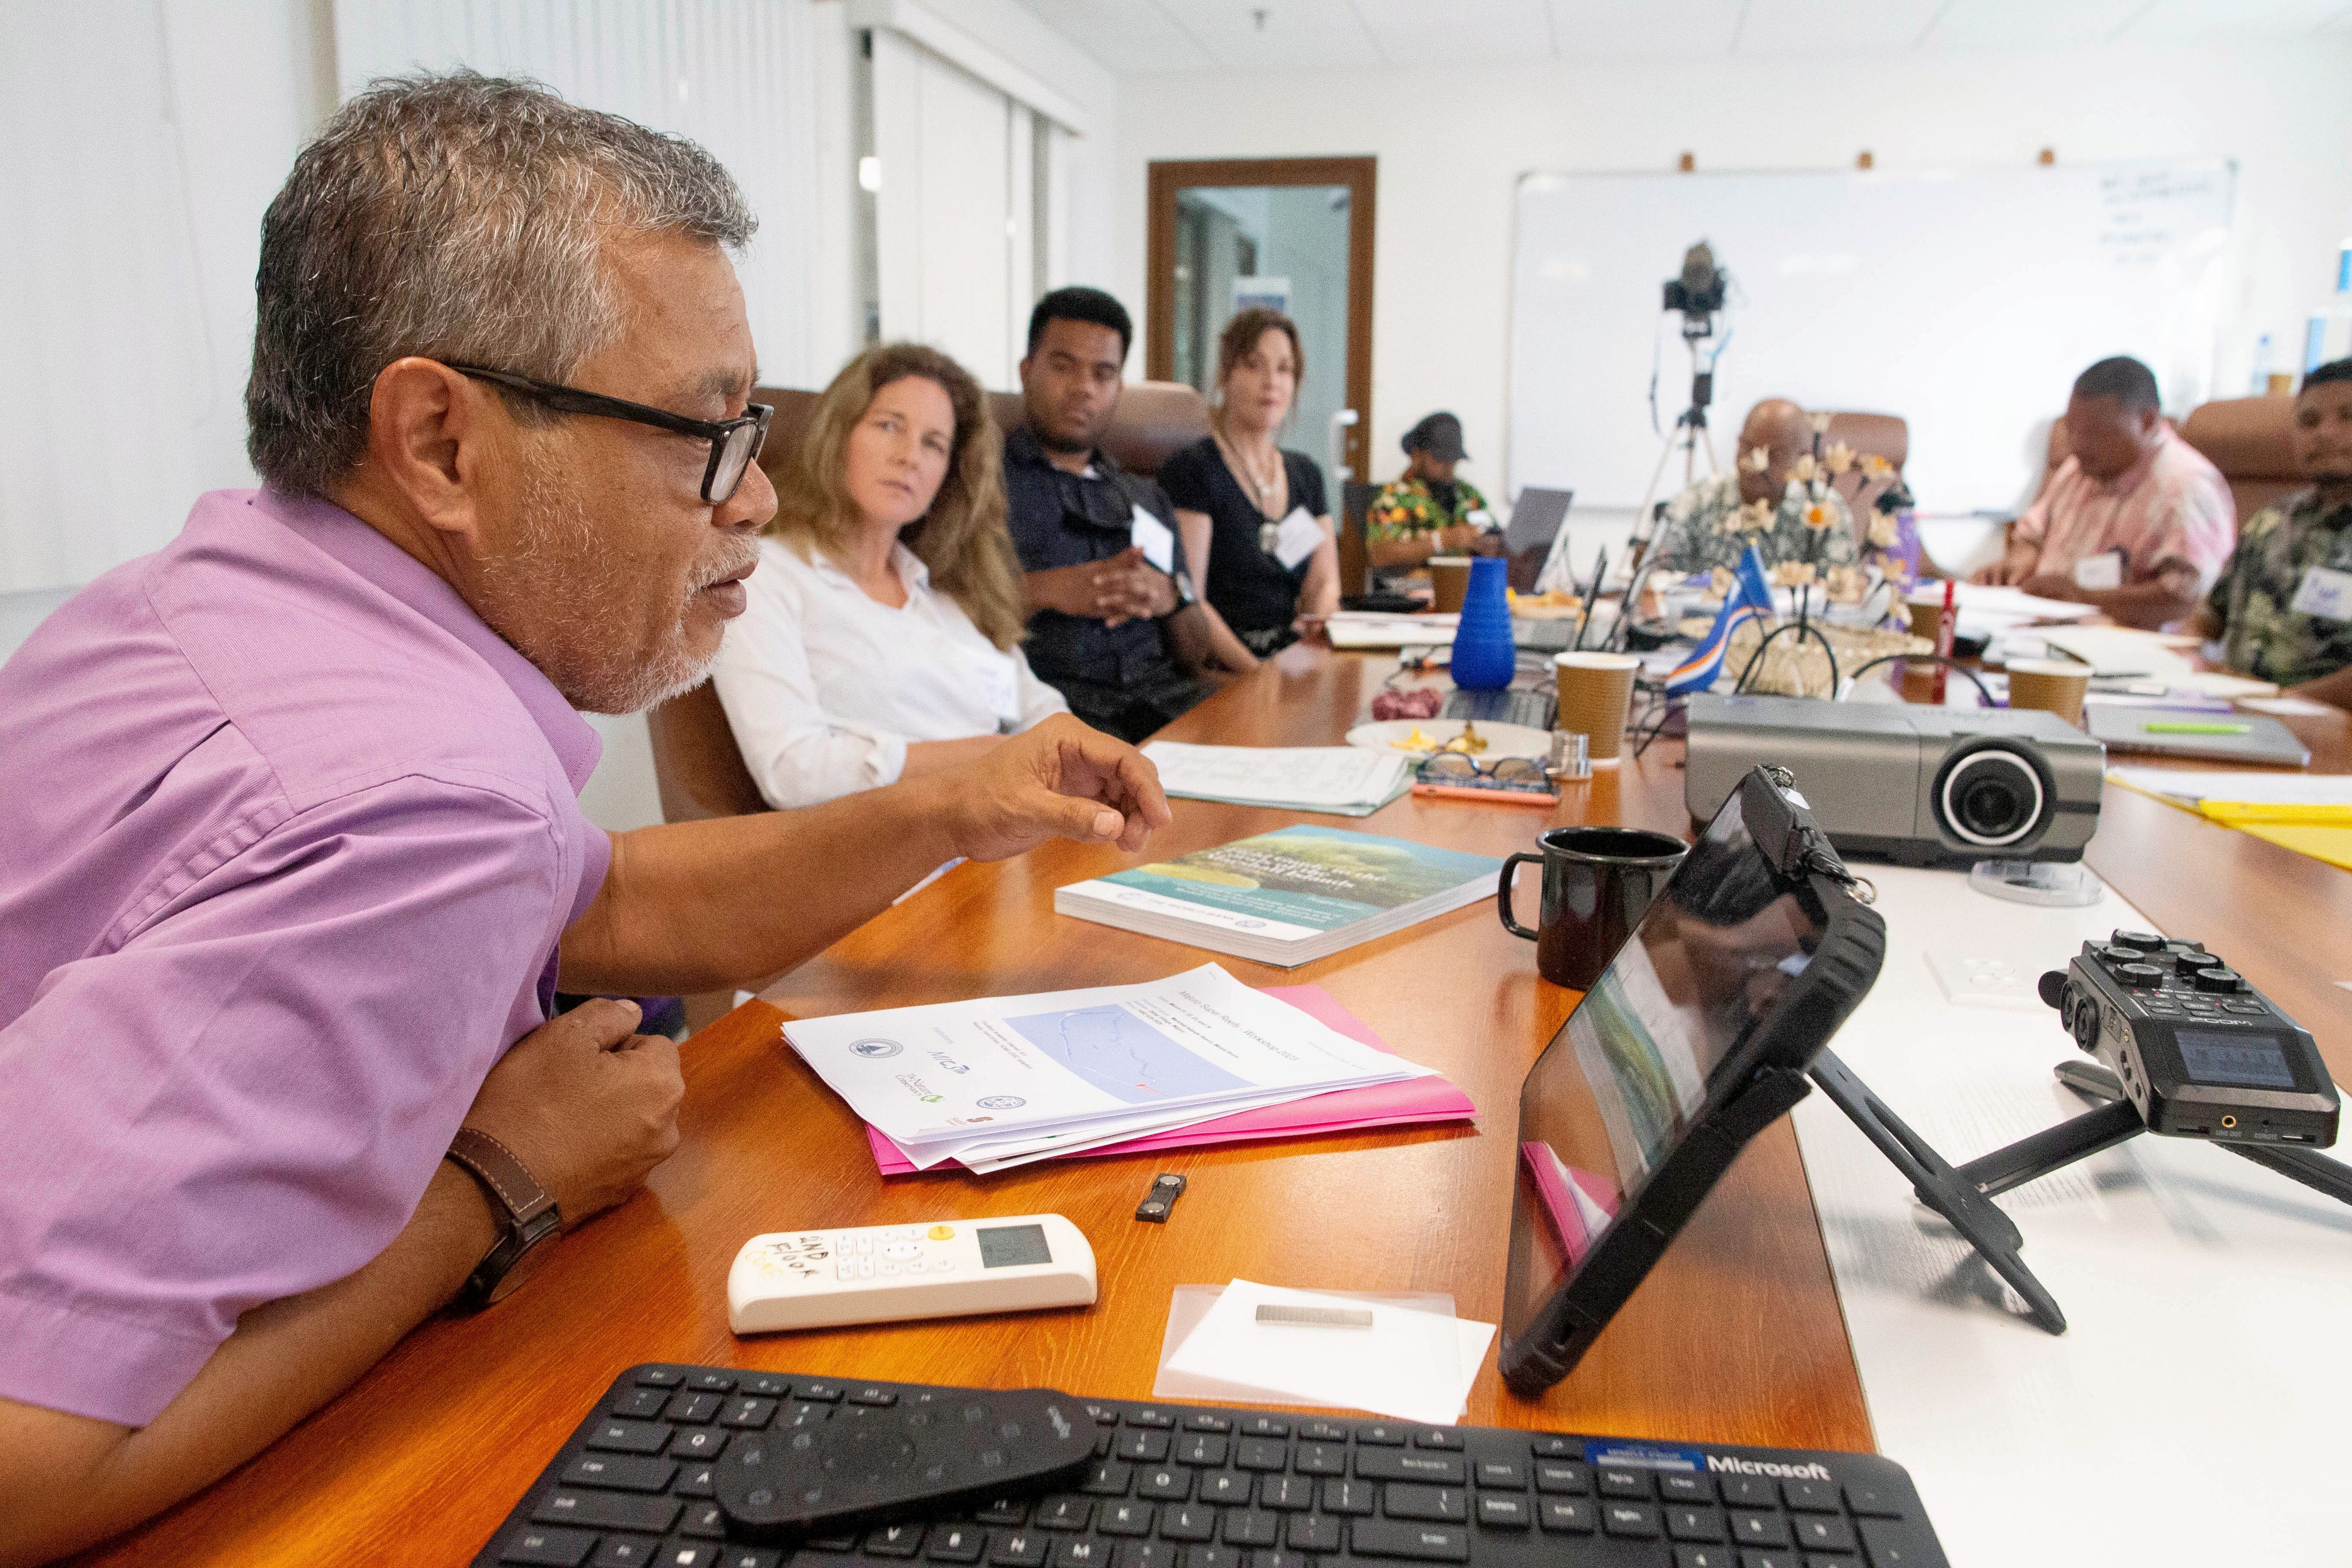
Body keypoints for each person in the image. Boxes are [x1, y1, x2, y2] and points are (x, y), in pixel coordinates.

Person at [0, 75, 1169, 1563]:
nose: (750, 503)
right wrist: (497, 1187)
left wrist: (952, 801)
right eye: (704, 433)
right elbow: (21, 1458)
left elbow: (607, 896)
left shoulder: (224, 592)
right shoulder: (417, 799)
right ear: (439, 441)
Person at [709, 343, 1067, 809]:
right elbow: (791, 771)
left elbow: (1037, 705)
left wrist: (1074, 750)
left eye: (933, 444)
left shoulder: (948, 589)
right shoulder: (766, 575)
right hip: (904, 846)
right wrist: (988, 758)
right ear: (839, 436)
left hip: (1015, 819)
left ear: (949, 476)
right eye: (889, 426)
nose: (909, 456)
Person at [1002, 287, 1218, 742]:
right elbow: (938, 612)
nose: (1084, 388)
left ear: (1118, 387)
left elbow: (1196, 653)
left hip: (1168, 707)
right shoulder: (983, 486)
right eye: (1064, 366)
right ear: (1026, 371)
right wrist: (1046, 590)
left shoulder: (1146, 497)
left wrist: (1171, 596)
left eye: (1103, 374)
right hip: (1057, 716)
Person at [1972, 355, 2234, 630]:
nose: (2077, 446)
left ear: (2147, 421)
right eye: (2072, 430)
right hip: (2042, 631)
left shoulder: (2188, 487)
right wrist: (2016, 565)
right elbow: (2032, 537)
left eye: (2096, 434)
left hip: (2127, 653)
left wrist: (2083, 597)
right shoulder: (2080, 467)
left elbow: (2186, 598)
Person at [1157, 308, 1340, 668]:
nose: (1271, 381)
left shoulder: (1306, 475)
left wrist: (1307, 645)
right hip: (1223, 671)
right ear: (1226, 375)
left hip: (1293, 663)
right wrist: (1256, 675)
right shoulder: (1194, 469)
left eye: (1284, 369)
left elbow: (1325, 582)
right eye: (1255, 365)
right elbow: (1192, 600)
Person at [2192, 358, 2352, 709]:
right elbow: (2210, 616)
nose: (2324, 433)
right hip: (2231, 705)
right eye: (2309, 422)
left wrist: (2282, 701)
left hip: (2324, 721)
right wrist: (2177, 658)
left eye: (2348, 417)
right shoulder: (2272, 519)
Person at [1649, 398, 1874, 578]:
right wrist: (1650, 559)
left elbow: (1840, 591)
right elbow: (1658, 570)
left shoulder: (1823, 509)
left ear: (1802, 459)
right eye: (1748, 447)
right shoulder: (1700, 498)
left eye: (1773, 454)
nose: (1755, 463)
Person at [1366, 412, 1502, 570]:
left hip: (1470, 585)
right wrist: (1443, 541)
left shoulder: (1468, 495)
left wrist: (1492, 544)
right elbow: (1380, 555)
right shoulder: (1392, 498)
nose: (1448, 466)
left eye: (1453, 459)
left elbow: (1497, 536)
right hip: (1414, 588)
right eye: (1439, 458)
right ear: (1416, 456)